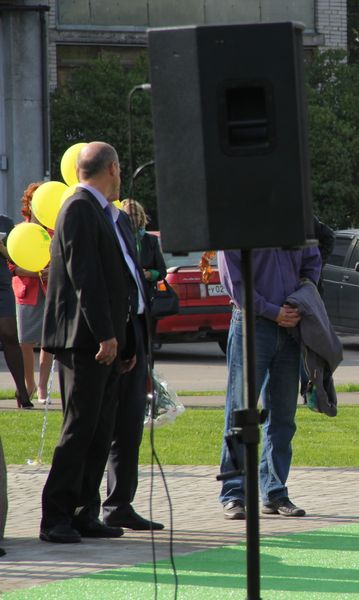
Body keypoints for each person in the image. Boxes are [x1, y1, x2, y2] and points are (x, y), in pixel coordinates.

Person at [40, 141, 140, 543]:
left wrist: (124, 339)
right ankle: (55, 516)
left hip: (105, 339)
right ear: (112, 169)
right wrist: (106, 335)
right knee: (80, 428)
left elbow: (117, 280)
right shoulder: (80, 208)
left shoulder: (99, 212)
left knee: (101, 428)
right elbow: (86, 278)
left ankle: (84, 511)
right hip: (85, 341)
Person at [217, 243, 321, 520]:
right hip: (250, 325)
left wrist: (300, 300)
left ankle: (275, 492)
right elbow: (233, 282)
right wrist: (272, 311)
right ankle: (233, 494)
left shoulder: (293, 218)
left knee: (283, 416)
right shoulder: (236, 221)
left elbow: (312, 262)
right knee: (240, 413)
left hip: (291, 329)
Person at [83, 198, 161, 531]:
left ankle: (120, 504)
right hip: (107, 339)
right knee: (97, 427)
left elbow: (136, 283)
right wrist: (113, 336)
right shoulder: (89, 218)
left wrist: (132, 339)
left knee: (130, 426)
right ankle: (81, 508)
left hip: (135, 334)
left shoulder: (131, 232)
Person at [12, 183, 53, 406]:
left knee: (49, 341)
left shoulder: (54, 232)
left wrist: (51, 271)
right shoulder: (20, 231)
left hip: (50, 289)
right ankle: (29, 383)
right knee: (24, 340)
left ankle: (43, 386)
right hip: (26, 290)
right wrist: (36, 272)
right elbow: (12, 266)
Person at [120, 200, 166, 337]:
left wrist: (149, 274)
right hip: (126, 304)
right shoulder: (119, 239)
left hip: (147, 302)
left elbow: (162, 271)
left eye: (136, 214)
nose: (132, 218)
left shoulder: (150, 241)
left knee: (146, 346)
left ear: (141, 217)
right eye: (128, 215)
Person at [0, 211, 31, 409]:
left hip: (2, 283)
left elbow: (15, 257)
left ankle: (22, 391)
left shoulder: (6, 221)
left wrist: (2, 249)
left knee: (10, 333)